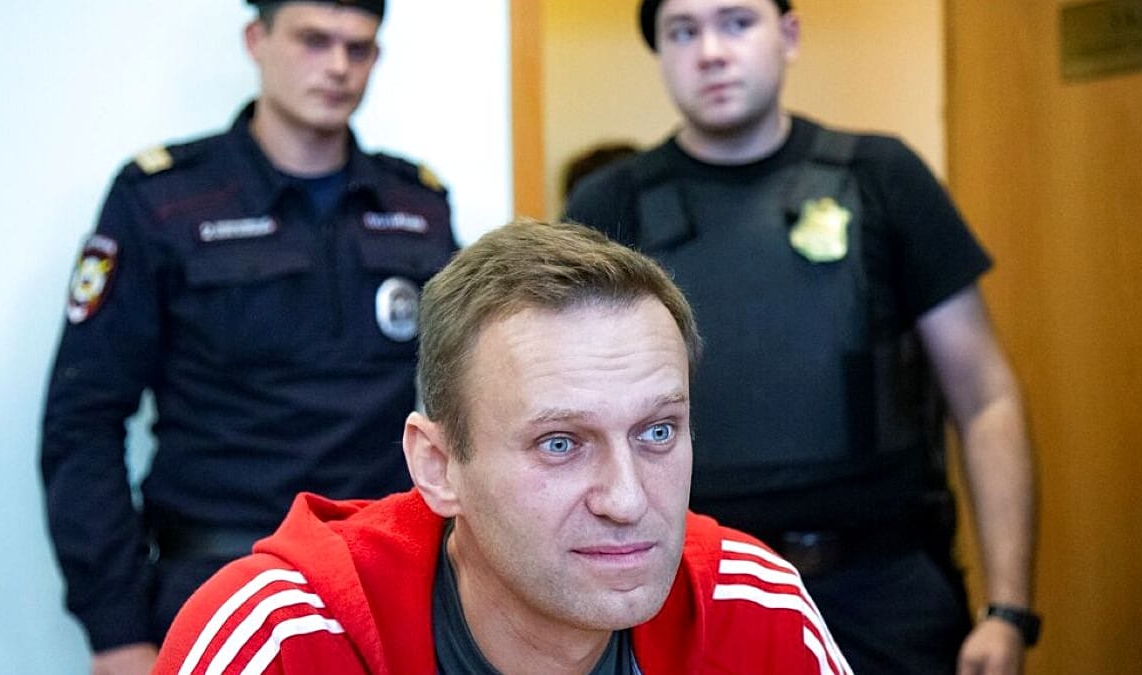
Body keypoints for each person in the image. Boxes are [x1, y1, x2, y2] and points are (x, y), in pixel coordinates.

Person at [564, 1, 1039, 673]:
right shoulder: (609, 207)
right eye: (683, 32)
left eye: (737, 22)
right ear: (662, 54)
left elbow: (986, 397)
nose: (711, 52)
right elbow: (568, 417)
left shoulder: (882, 178)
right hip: (691, 595)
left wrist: (1008, 610)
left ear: (788, 35)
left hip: (884, 594)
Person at [152, 219, 852, 674]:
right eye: (560, 443)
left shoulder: (754, 611)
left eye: (657, 432)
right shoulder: (283, 643)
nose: (627, 499)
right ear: (437, 466)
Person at [39, 1, 456, 673]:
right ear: (256, 39)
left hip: (387, 577)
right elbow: (82, 419)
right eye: (313, 40)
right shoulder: (165, 200)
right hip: (217, 576)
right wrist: (115, 630)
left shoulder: (417, 204)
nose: (338, 66)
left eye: (358, 48)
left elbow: (459, 397)